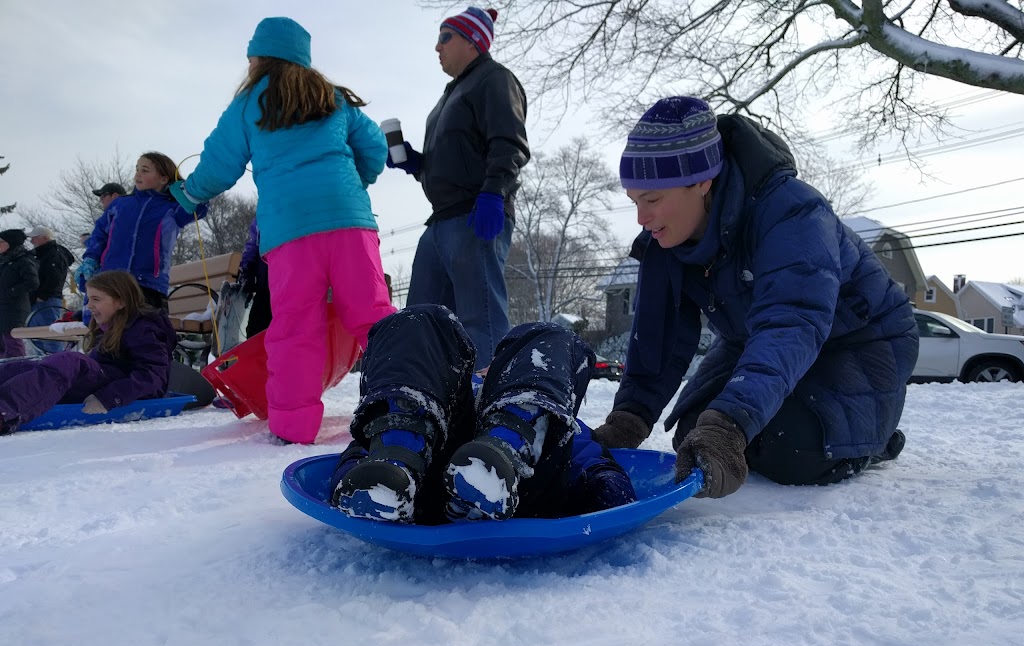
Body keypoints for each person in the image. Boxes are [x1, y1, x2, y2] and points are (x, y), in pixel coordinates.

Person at [590, 97, 919, 499]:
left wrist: (731, 424)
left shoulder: (791, 211)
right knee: (695, 435)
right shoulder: (664, 240)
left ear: (702, 181)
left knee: (790, 446)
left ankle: (871, 440)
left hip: (859, 339)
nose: (642, 218)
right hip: (755, 339)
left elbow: (792, 320)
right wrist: (628, 420)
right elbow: (660, 338)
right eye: (635, 201)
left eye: (653, 199)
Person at [168, 16, 395, 445]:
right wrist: (353, 185)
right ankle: (403, 404)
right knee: (373, 317)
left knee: (295, 327)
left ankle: (293, 427)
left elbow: (219, 165)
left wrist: (188, 194)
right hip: (350, 224)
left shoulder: (249, 104)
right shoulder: (331, 99)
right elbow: (374, 147)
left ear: (259, 57)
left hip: (291, 231)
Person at [330, 305, 637, 524]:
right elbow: (358, 453)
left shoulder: (546, 408)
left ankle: (507, 444)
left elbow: (588, 457)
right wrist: (360, 477)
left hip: (520, 489)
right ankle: (396, 459)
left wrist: (605, 485)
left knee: (549, 336)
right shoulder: (452, 397)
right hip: (419, 483)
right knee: (419, 321)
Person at [386, 7, 529, 370]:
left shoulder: (494, 79)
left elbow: (509, 144)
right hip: (440, 222)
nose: (437, 47)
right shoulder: (450, 95)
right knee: (421, 318)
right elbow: (457, 158)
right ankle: (423, 394)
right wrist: (418, 164)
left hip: (475, 213)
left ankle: (490, 401)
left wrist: (494, 193)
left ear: (472, 40)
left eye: (445, 37)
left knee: (479, 316)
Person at [0, 270, 177, 435]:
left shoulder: (143, 329)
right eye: (88, 299)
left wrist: (109, 398)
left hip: (127, 391)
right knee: (26, 366)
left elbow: (153, 376)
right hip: (108, 382)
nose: (89, 305)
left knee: (70, 361)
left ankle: (4, 412)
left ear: (121, 302)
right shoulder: (112, 326)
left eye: (96, 299)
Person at [76, 153, 208, 312]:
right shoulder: (120, 205)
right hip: (112, 281)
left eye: (145, 170)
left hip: (148, 283)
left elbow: (198, 208)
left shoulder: (172, 208)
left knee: (144, 331)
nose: (138, 174)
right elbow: (99, 234)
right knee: (108, 333)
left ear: (163, 179)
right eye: (137, 169)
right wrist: (90, 258)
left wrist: (188, 192)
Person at [25, 225, 75, 353]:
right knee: (37, 337)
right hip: (39, 300)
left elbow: (55, 278)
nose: (31, 241)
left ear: (44, 238)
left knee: (50, 336)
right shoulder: (42, 254)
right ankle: (41, 363)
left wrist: (42, 295)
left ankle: (54, 363)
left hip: (47, 300)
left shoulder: (54, 254)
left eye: (34, 238)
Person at [0, 229, 39, 359]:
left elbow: (33, 282)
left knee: (12, 341)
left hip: (14, 309)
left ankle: (17, 367)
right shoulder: (4, 260)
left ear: (11, 243)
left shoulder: (23, 260)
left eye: (1, 242)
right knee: (3, 343)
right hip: (3, 307)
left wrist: (10, 292)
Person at [238, 218, 271, 337]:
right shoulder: (263, 217)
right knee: (255, 329)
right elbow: (254, 244)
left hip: (288, 287)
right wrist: (247, 269)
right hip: (264, 287)